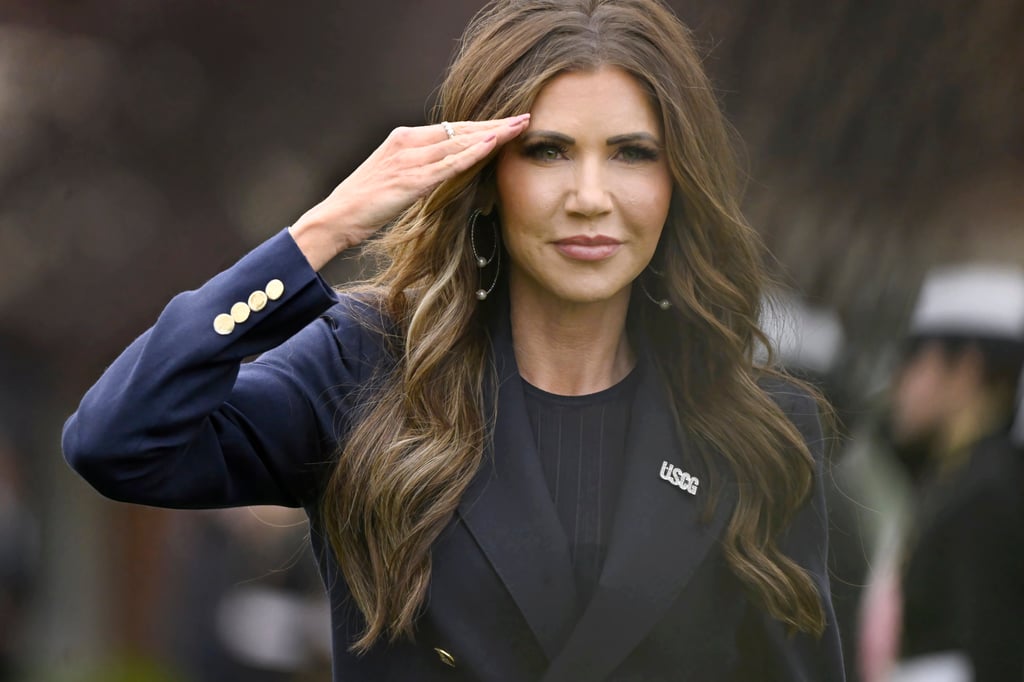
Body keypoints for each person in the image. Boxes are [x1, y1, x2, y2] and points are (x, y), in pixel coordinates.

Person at [62, 0, 844, 679]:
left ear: (680, 183)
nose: (591, 198)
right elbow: (118, 441)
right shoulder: (367, 367)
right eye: (549, 151)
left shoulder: (758, 430)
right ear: (484, 176)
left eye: (633, 153)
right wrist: (322, 231)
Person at [866, 265, 1024, 682]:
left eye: (915, 360)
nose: (899, 383)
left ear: (967, 369)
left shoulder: (992, 492)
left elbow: (992, 653)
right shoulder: (954, 478)